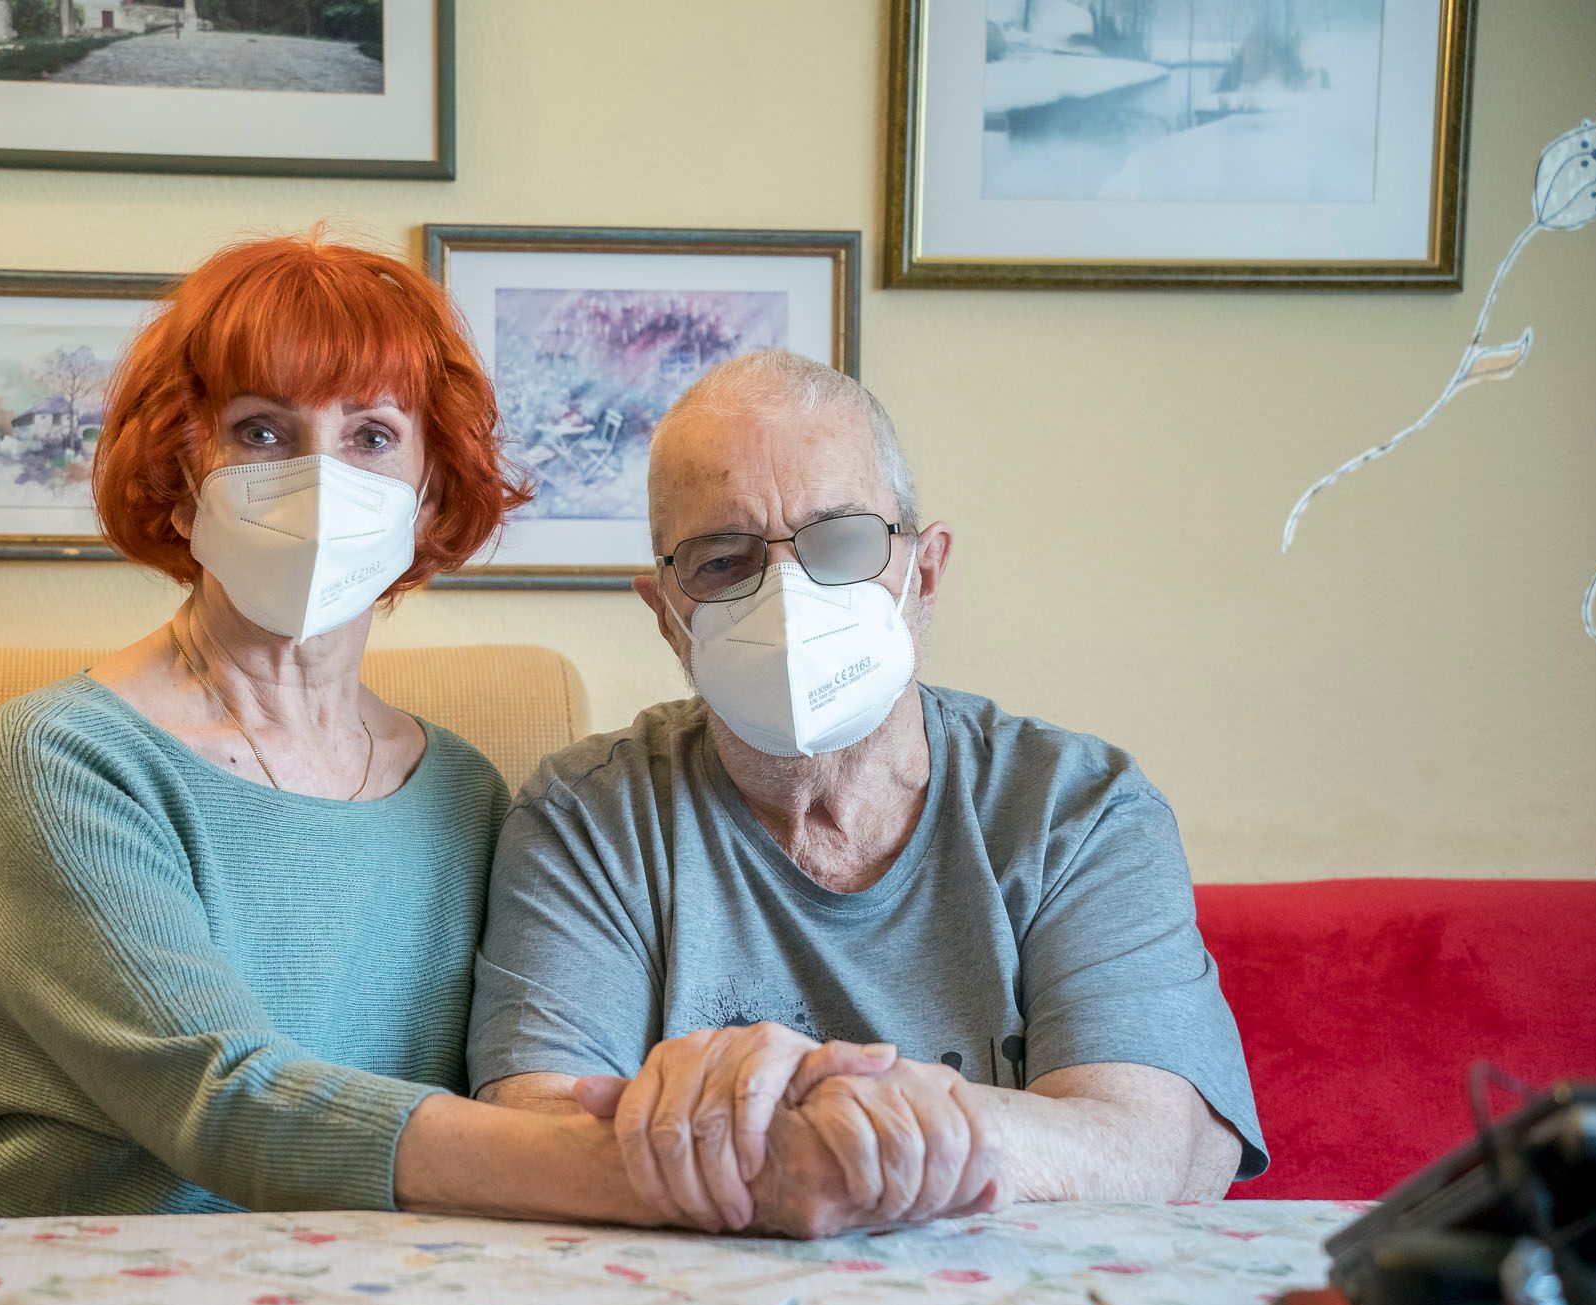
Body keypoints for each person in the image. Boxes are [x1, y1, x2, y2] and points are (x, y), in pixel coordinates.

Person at [0, 237, 899, 1235]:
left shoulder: (463, 791)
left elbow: (519, 1090)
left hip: (367, 1299)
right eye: (258, 432)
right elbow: (225, 1101)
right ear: (176, 470)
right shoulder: (60, 759)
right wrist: (694, 1177)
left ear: (427, 497)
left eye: (372, 436)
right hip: (51, 1293)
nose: (318, 479)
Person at [468, 348, 1268, 1238]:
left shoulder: (1077, 809)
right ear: (668, 617)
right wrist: (918, 1134)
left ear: (923, 575)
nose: (789, 597)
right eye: (724, 561)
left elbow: (1150, 1143)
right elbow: (530, 1130)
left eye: (841, 541)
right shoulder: (587, 816)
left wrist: (836, 1130)